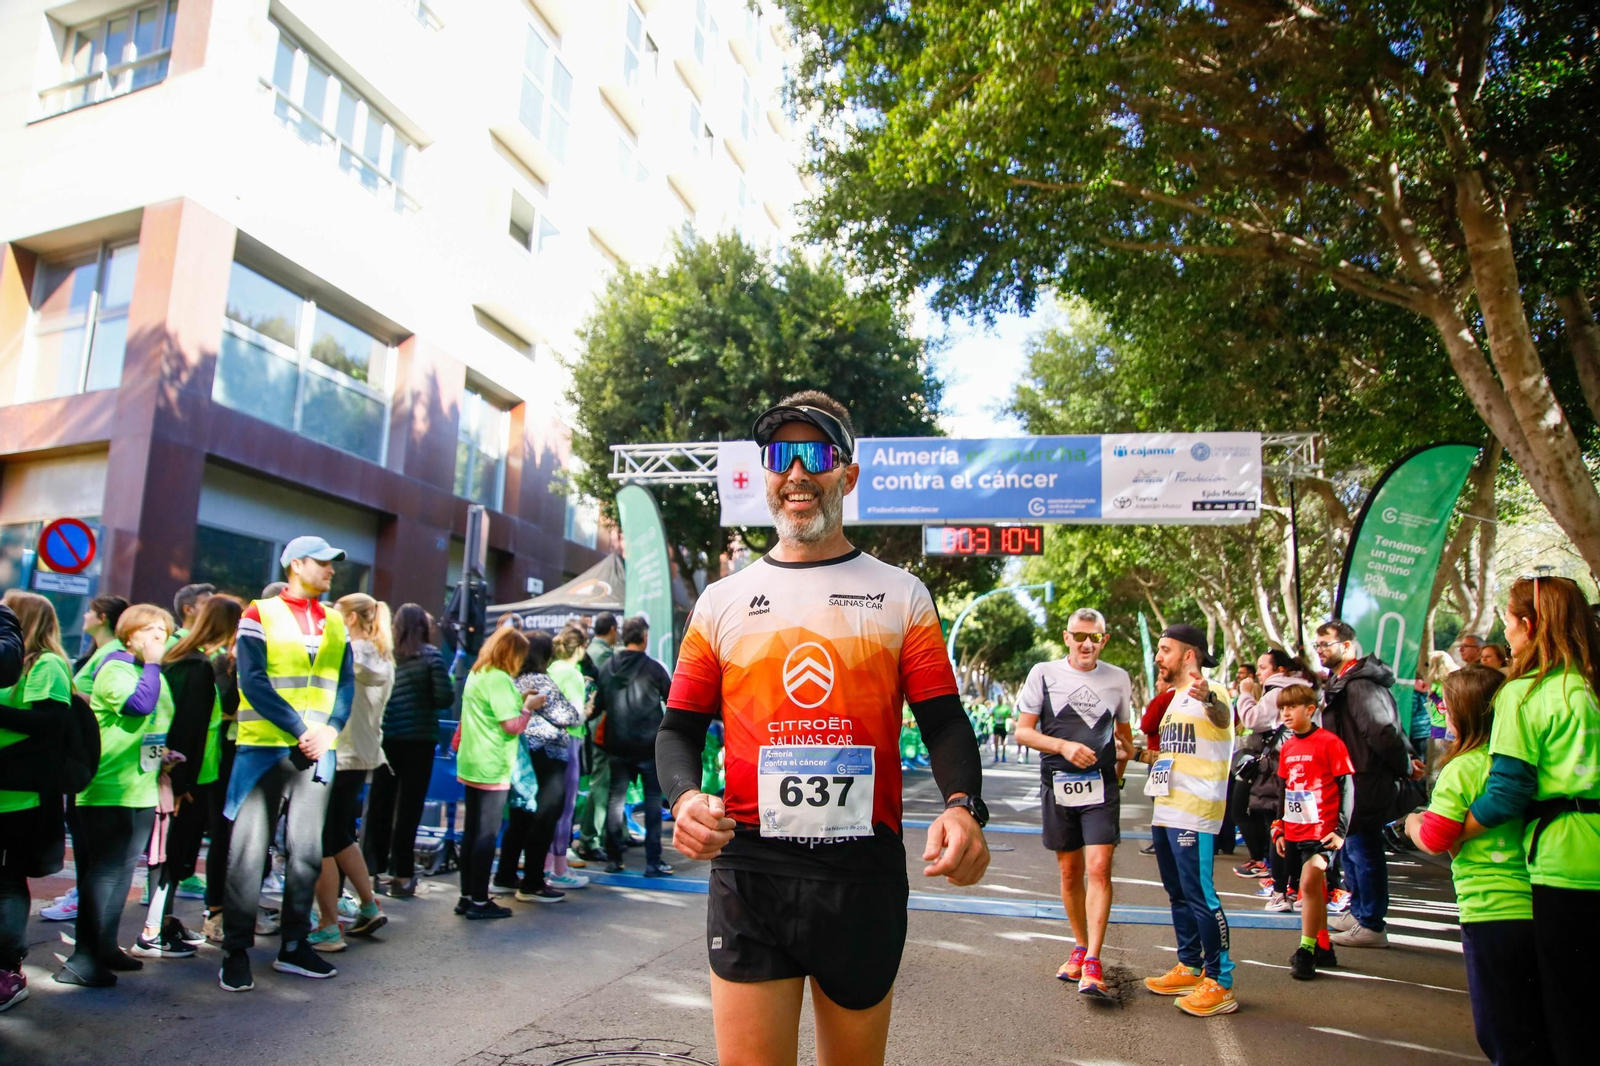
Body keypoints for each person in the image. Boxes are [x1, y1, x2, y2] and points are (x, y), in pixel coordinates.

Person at [659, 391, 988, 1066]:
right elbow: (678, 730)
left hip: (860, 871)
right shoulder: (720, 601)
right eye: (783, 455)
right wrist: (685, 799)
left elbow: (945, 722)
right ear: (765, 475)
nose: (798, 472)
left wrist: (964, 807)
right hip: (751, 865)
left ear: (848, 476)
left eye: (818, 454)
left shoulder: (901, 594)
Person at [1462, 575, 1599, 1066]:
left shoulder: (1525, 693)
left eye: (1507, 617)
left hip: (1566, 866)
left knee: (1569, 1016)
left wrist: (1444, 830)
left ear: (1529, 625)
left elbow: (1506, 793)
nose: (1504, 627)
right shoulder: (1591, 684)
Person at [219, 536, 356, 993]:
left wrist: (331, 731)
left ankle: (294, 945)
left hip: (317, 749)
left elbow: (346, 685)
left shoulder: (335, 622)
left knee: (307, 853)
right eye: (323, 562)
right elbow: (252, 680)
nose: (331, 570)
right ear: (296, 565)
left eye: (333, 564)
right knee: (248, 854)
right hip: (264, 748)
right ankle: (235, 951)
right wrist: (303, 730)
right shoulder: (259, 613)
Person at [1403, 664, 1550, 1065]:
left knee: (1502, 1033)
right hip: (1544, 903)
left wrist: (1413, 822)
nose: (1442, 716)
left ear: (1463, 713)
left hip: (1490, 911)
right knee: (1538, 1025)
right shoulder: (1524, 764)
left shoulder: (1462, 769)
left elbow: (1434, 838)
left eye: (1446, 708)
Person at [1014, 607, 1133, 998]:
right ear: (1066, 637)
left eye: (1094, 637)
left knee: (1099, 867)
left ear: (1105, 640)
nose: (1086, 644)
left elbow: (1125, 739)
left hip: (1101, 788)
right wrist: (1063, 745)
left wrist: (1122, 760)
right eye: (1079, 636)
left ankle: (1095, 960)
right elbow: (1024, 733)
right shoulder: (1043, 674)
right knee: (1070, 873)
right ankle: (1080, 946)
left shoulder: (1118, 679)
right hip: (1057, 783)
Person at [59, 603, 178, 987]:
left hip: (141, 787)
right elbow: (138, 705)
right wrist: (156, 664)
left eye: (165, 631)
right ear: (131, 634)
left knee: (123, 872)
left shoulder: (149, 672)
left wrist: (165, 755)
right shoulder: (116, 669)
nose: (161, 637)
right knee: (104, 874)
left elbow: (154, 723)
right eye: (152, 630)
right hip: (108, 788)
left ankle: (106, 947)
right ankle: (82, 958)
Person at [1130, 624, 1237, 1017]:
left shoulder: (1213, 691)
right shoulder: (1172, 699)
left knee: (1201, 896)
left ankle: (1221, 981)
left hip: (1196, 810)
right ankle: (1190, 965)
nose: (1158, 656)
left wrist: (1209, 697)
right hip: (1167, 808)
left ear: (1188, 655)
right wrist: (1135, 755)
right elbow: (1173, 757)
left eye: (1165, 649)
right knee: (1177, 894)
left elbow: (1224, 719)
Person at [140, 596, 243, 958]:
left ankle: (163, 923)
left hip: (196, 774)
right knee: (171, 855)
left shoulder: (189, 659)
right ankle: (155, 929)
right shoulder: (195, 665)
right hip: (189, 778)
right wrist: (180, 784)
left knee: (175, 854)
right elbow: (187, 728)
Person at [1314, 620, 1420, 949]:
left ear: (1347, 646)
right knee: (1354, 847)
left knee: (1363, 847)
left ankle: (1371, 922)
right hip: (1352, 776)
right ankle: (1360, 911)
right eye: (1317, 645)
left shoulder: (1359, 684)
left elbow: (1382, 731)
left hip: (1365, 779)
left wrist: (1404, 764)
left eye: (1325, 644)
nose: (1319, 651)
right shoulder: (1344, 681)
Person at [308, 593, 393, 952]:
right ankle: (368, 904)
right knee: (341, 835)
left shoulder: (350, 653)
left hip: (337, 752)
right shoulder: (381, 655)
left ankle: (328, 925)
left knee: (322, 840)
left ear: (353, 620)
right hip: (362, 754)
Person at [0, 592, 71, 1010]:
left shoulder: (45, 664)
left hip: (20, 800)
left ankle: (8, 968)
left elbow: (50, 726)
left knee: (7, 884)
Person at [363, 603, 451, 896]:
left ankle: (370, 872)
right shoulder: (432, 656)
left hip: (386, 738)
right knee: (410, 809)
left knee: (379, 805)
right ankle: (402, 876)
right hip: (420, 740)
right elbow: (444, 698)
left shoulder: (382, 654)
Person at [455, 626, 541, 919]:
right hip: (493, 765)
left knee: (470, 833)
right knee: (486, 836)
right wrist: (527, 707)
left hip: (470, 762)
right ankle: (480, 900)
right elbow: (511, 726)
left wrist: (518, 700)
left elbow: (490, 712)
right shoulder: (500, 679)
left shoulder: (477, 674)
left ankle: (467, 896)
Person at [1271, 683, 1353, 979]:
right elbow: (1284, 789)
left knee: (1308, 884)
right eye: (1282, 708)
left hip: (1324, 832)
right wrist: (1279, 826)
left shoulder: (1330, 742)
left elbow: (1347, 787)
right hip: (1295, 830)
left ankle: (1305, 951)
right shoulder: (1288, 746)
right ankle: (1323, 945)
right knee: (1315, 888)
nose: (1286, 713)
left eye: (1292, 707)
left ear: (1310, 709)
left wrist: (1341, 830)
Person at [498, 629, 582, 902]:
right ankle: (533, 882)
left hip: (521, 755)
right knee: (545, 817)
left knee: (520, 817)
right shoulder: (541, 681)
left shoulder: (513, 680)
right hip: (547, 757)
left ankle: (505, 875)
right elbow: (568, 715)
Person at [597, 615, 674, 876]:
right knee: (652, 801)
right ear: (644, 637)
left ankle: (613, 859)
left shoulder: (607, 667)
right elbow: (672, 700)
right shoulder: (654, 669)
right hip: (649, 744)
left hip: (616, 743)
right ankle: (653, 861)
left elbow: (598, 705)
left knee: (615, 800)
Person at [543, 624, 593, 888]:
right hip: (569, 741)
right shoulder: (573, 674)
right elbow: (575, 714)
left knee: (548, 807)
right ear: (581, 647)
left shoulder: (549, 669)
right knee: (566, 807)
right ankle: (559, 869)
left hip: (544, 743)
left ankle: (546, 865)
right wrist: (587, 708)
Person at [574, 612, 620, 861]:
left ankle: (614, 832)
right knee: (602, 783)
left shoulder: (593, 652)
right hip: (601, 727)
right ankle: (588, 839)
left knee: (611, 780)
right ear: (613, 629)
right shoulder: (603, 656)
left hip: (592, 726)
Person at [73, 594, 128, 677]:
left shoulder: (112, 653)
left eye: (90, 612)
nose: (85, 615)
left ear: (102, 618)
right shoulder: (104, 650)